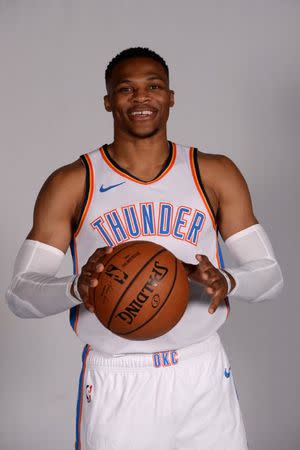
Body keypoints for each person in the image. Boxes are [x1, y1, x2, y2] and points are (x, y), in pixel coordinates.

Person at [6, 47, 283, 450]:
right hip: (119, 377)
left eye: (153, 86)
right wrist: (75, 288)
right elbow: (19, 295)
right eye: (126, 89)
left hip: (201, 372)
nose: (141, 98)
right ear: (108, 101)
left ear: (170, 96)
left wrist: (227, 279)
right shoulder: (73, 183)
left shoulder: (213, 173)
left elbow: (271, 277)